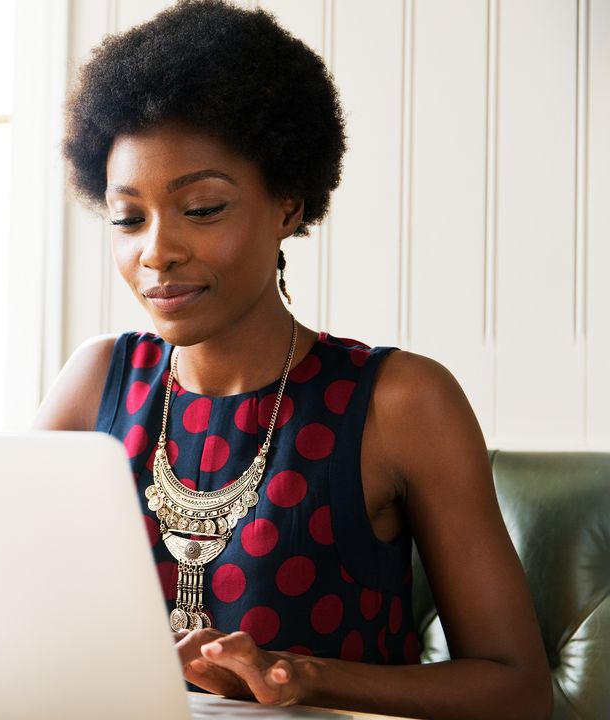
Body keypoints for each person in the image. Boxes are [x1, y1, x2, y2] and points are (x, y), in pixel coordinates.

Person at [33, 2, 550, 718]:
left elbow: (516, 688)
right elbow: (4, 610)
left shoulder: (400, 402)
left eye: (203, 208)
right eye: (128, 218)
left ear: (286, 203)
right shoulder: (95, 383)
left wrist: (304, 678)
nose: (156, 251)